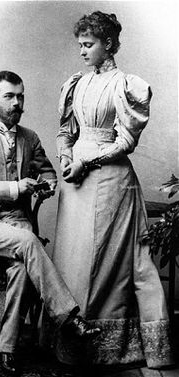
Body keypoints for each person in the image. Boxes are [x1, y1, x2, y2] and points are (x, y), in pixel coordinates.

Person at [42, 11, 174, 369]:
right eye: (80, 45)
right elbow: (65, 130)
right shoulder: (77, 84)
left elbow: (126, 140)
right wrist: (66, 155)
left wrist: (86, 162)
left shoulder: (125, 85)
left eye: (89, 45)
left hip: (110, 180)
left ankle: (107, 346)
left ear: (109, 44)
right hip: (76, 186)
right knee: (73, 259)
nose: (82, 51)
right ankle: (70, 340)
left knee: (104, 262)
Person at [0, 71, 100, 375]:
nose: (17, 102)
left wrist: (47, 185)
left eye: (20, 96)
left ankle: (5, 349)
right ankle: (69, 318)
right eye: (9, 96)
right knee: (29, 242)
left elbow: (48, 172)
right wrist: (15, 188)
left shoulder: (29, 137)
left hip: (18, 222)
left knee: (22, 268)